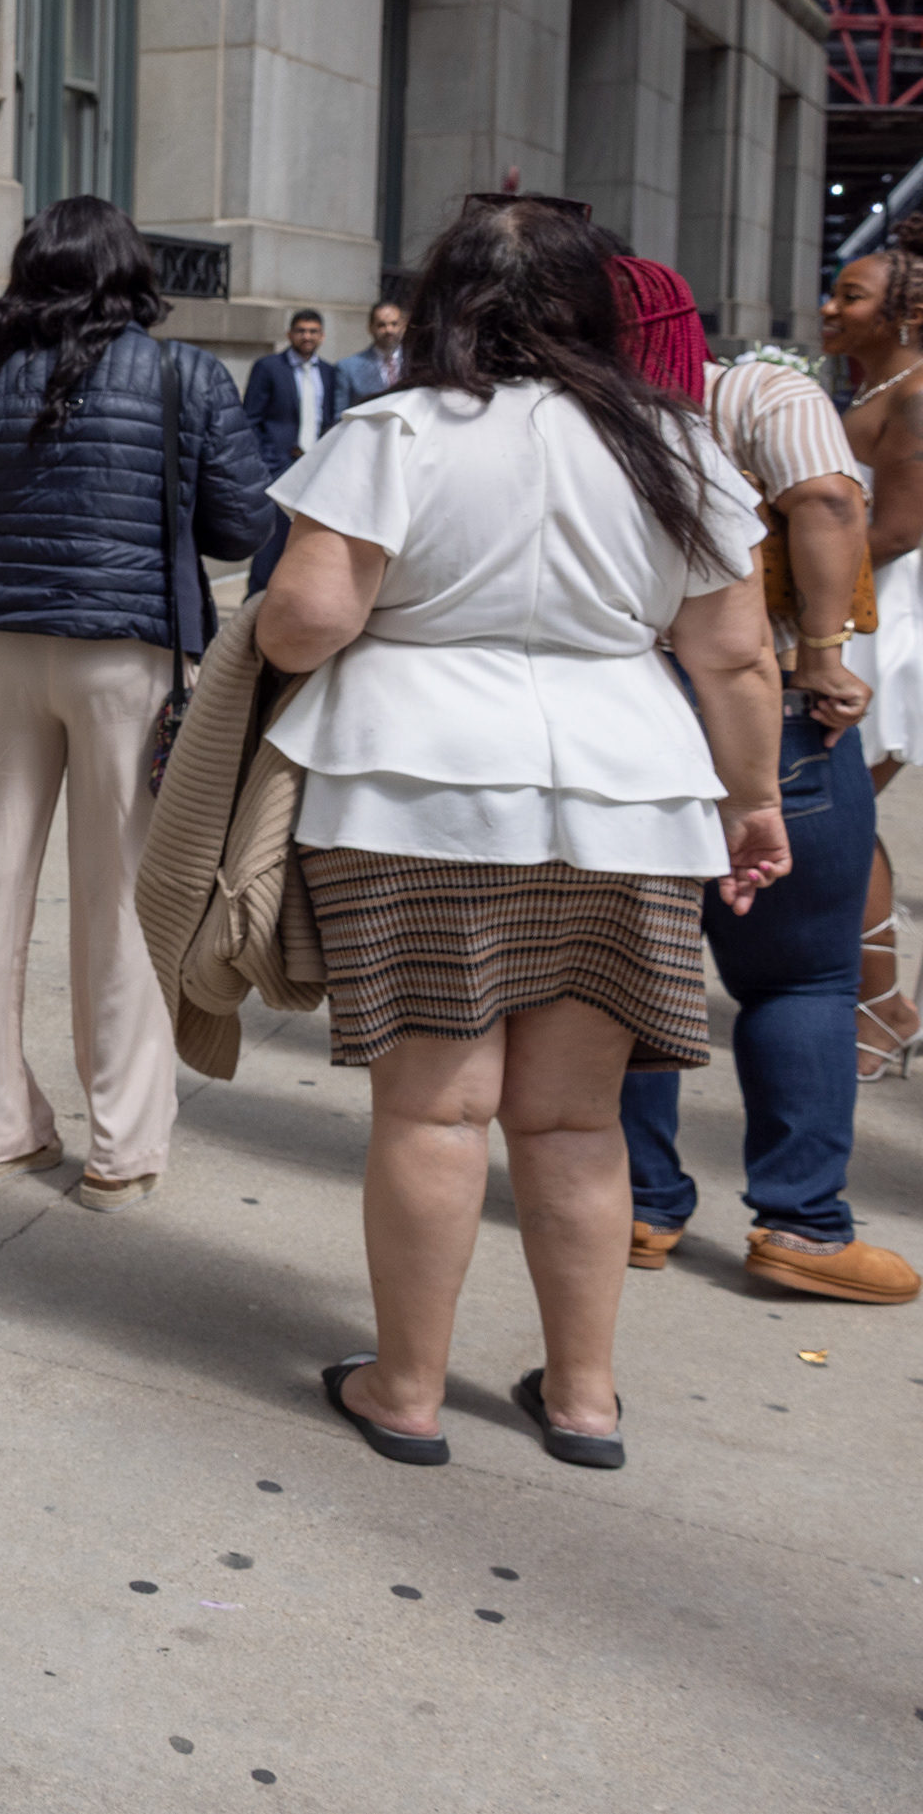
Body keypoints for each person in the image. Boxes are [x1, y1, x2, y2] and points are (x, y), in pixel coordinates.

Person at [260, 193, 785, 1472]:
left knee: (434, 1114)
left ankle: (407, 1388)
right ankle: (585, 1398)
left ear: (442, 301)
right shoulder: (675, 446)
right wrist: (754, 802)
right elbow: (734, 657)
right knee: (575, 1120)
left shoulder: (393, 431)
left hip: (414, 787)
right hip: (631, 798)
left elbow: (307, 619)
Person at [0, 197, 270, 1208]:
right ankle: (122, 1149)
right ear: (130, 272)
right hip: (130, 654)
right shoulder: (183, 374)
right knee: (126, 900)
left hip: (4, 648)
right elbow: (241, 528)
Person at [620, 331, 918, 1304]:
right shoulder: (759, 394)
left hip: (618, 718)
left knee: (627, 974)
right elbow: (829, 498)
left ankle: (635, 1201)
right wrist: (824, 652)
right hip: (777, 707)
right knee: (802, 978)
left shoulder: (571, 410)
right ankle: (802, 1225)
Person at [818, 224, 923, 1079]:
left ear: (903, 313)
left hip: (884, 622)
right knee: (843, 811)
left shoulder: (916, 394)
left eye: (850, 296)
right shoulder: (877, 383)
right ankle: (882, 1000)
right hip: (858, 609)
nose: (830, 306)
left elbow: (899, 529)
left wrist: (792, 581)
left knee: (841, 810)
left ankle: (883, 1006)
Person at [240, 308, 355, 591]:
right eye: (301, 331)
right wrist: (269, 462)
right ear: (289, 334)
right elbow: (250, 420)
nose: (307, 336)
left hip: (315, 469)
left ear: (322, 336)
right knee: (271, 542)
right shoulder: (268, 368)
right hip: (279, 466)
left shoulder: (330, 372)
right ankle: (255, 600)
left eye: (313, 331)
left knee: (308, 540)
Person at [338, 297, 406, 402]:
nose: (389, 330)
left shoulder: (417, 363)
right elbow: (341, 411)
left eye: (394, 324)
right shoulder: (348, 368)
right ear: (370, 328)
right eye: (381, 325)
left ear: (403, 326)